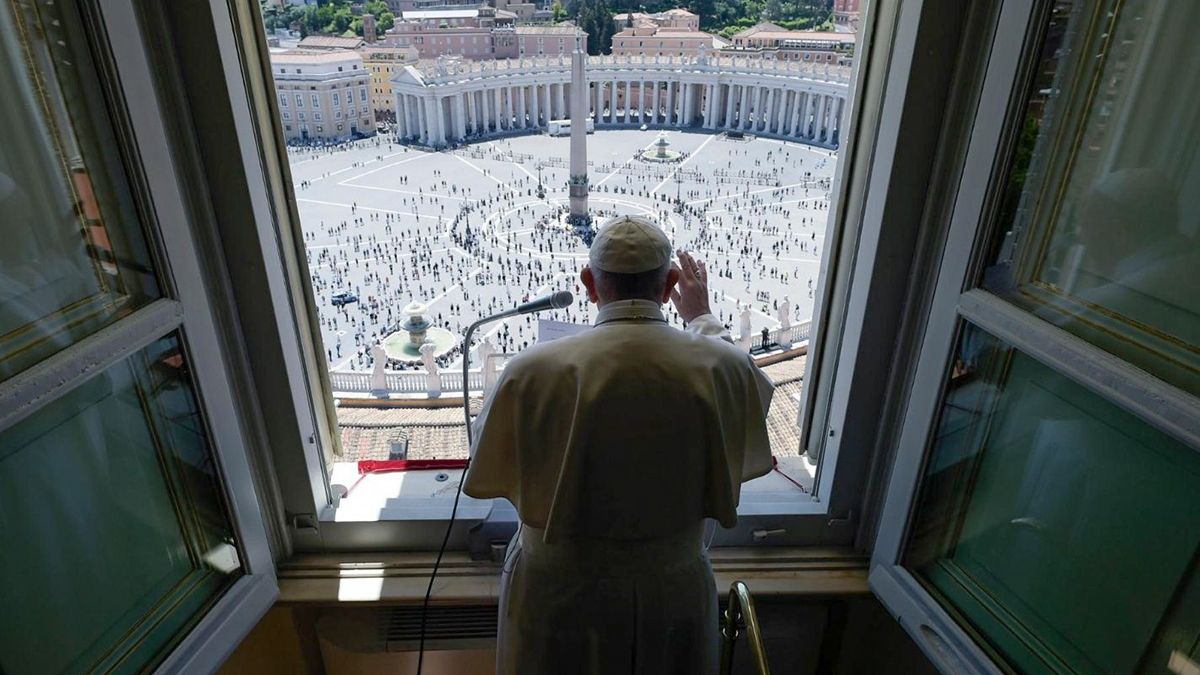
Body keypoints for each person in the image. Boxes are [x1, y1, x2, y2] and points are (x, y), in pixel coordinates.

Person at [463, 215, 775, 675]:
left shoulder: (527, 371)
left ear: (589, 283)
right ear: (670, 283)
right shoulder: (721, 366)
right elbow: (748, 396)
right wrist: (702, 319)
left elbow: (492, 463)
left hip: (558, 594)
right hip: (674, 590)